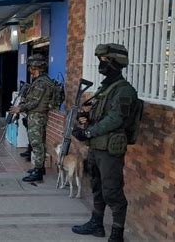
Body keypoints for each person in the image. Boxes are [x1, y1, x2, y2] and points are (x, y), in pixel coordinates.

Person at [71, 43, 137, 242]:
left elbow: (115, 119)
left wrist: (89, 131)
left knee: (112, 190)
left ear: (117, 62)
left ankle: (117, 232)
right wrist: (84, 121)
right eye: (101, 60)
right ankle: (96, 224)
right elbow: (97, 114)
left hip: (109, 149)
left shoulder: (124, 90)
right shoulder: (104, 89)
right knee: (97, 186)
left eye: (105, 61)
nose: (102, 64)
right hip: (96, 147)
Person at [10, 54, 52, 182]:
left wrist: (20, 108)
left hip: (37, 117)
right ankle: (40, 168)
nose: (30, 70)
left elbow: (34, 102)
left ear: (36, 66)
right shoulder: (41, 81)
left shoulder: (41, 82)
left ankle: (38, 172)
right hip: (37, 115)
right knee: (39, 143)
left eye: (31, 67)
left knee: (37, 144)